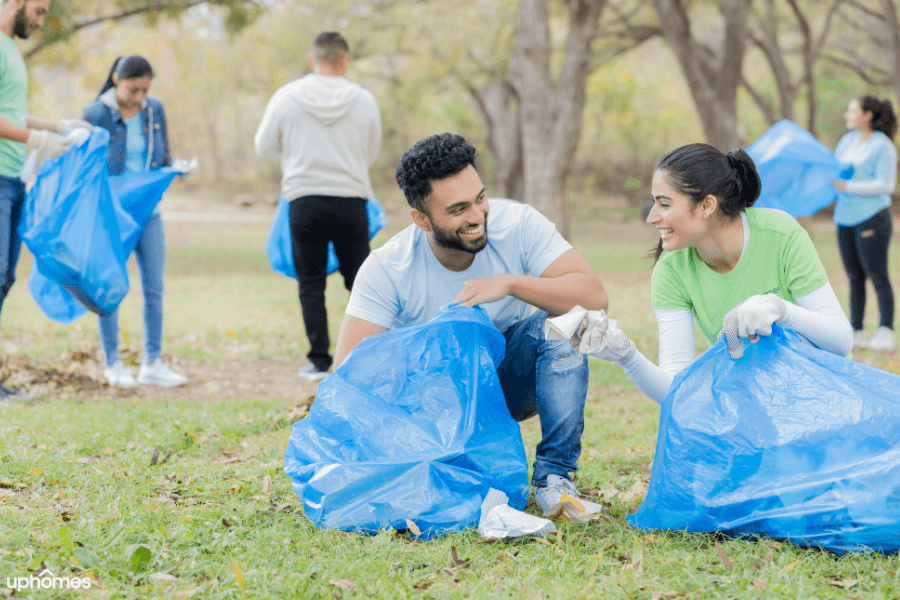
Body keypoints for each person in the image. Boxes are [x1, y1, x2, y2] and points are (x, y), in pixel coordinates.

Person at [333, 133, 609, 512]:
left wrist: (510, 283)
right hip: (430, 406)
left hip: (504, 383)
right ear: (421, 219)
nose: (477, 216)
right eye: (458, 209)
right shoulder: (388, 268)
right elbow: (347, 374)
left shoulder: (518, 225)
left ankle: (553, 478)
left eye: (480, 199)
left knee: (569, 323)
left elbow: (593, 297)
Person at [590, 143, 853, 404]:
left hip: (823, 394)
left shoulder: (780, 233)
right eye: (654, 203)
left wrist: (779, 309)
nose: (652, 217)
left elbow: (841, 343)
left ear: (706, 205)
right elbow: (676, 389)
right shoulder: (671, 269)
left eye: (665, 204)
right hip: (757, 405)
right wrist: (627, 356)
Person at [254, 32, 381, 381]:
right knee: (360, 282)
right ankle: (366, 355)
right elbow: (371, 151)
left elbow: (264, 146)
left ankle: (319, 361)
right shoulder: (365, 100)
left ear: (313, 60)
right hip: (351, 200)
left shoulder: (288, 96)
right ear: (344, 60)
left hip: (305, 199)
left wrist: (296, 152)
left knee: (310, 284)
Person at [0, 0, 92, 399]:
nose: (40, 21)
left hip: (14, 177)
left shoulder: (11, 50)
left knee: (4, 277)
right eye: (38, 10)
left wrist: (58, 127)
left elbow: (13, 113)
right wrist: (38, 141)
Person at [81, 55, 187, 388]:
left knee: (154, 288)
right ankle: (113, 363)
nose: (140, 97)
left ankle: (152, 362)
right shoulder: (95, 114)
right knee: (109, 286)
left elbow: (161, 156)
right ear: (116, 79)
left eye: (145, 90)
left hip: (148, 213)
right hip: (112, 216)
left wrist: (176, 167)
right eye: (133, 89)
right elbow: (86, 168)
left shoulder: (154, 110)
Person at [832, 96, 897, 351]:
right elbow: (834, 171)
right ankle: (856, 330)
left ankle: (885, 332)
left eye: (852, 109)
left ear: (867, 115)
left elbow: (886, 185)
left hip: (872, 217)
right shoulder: (846, 141)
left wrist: (848, 186)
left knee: (878, 276)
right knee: (853, 276)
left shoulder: (882, 146)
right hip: (844, 218)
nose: (848, 114)